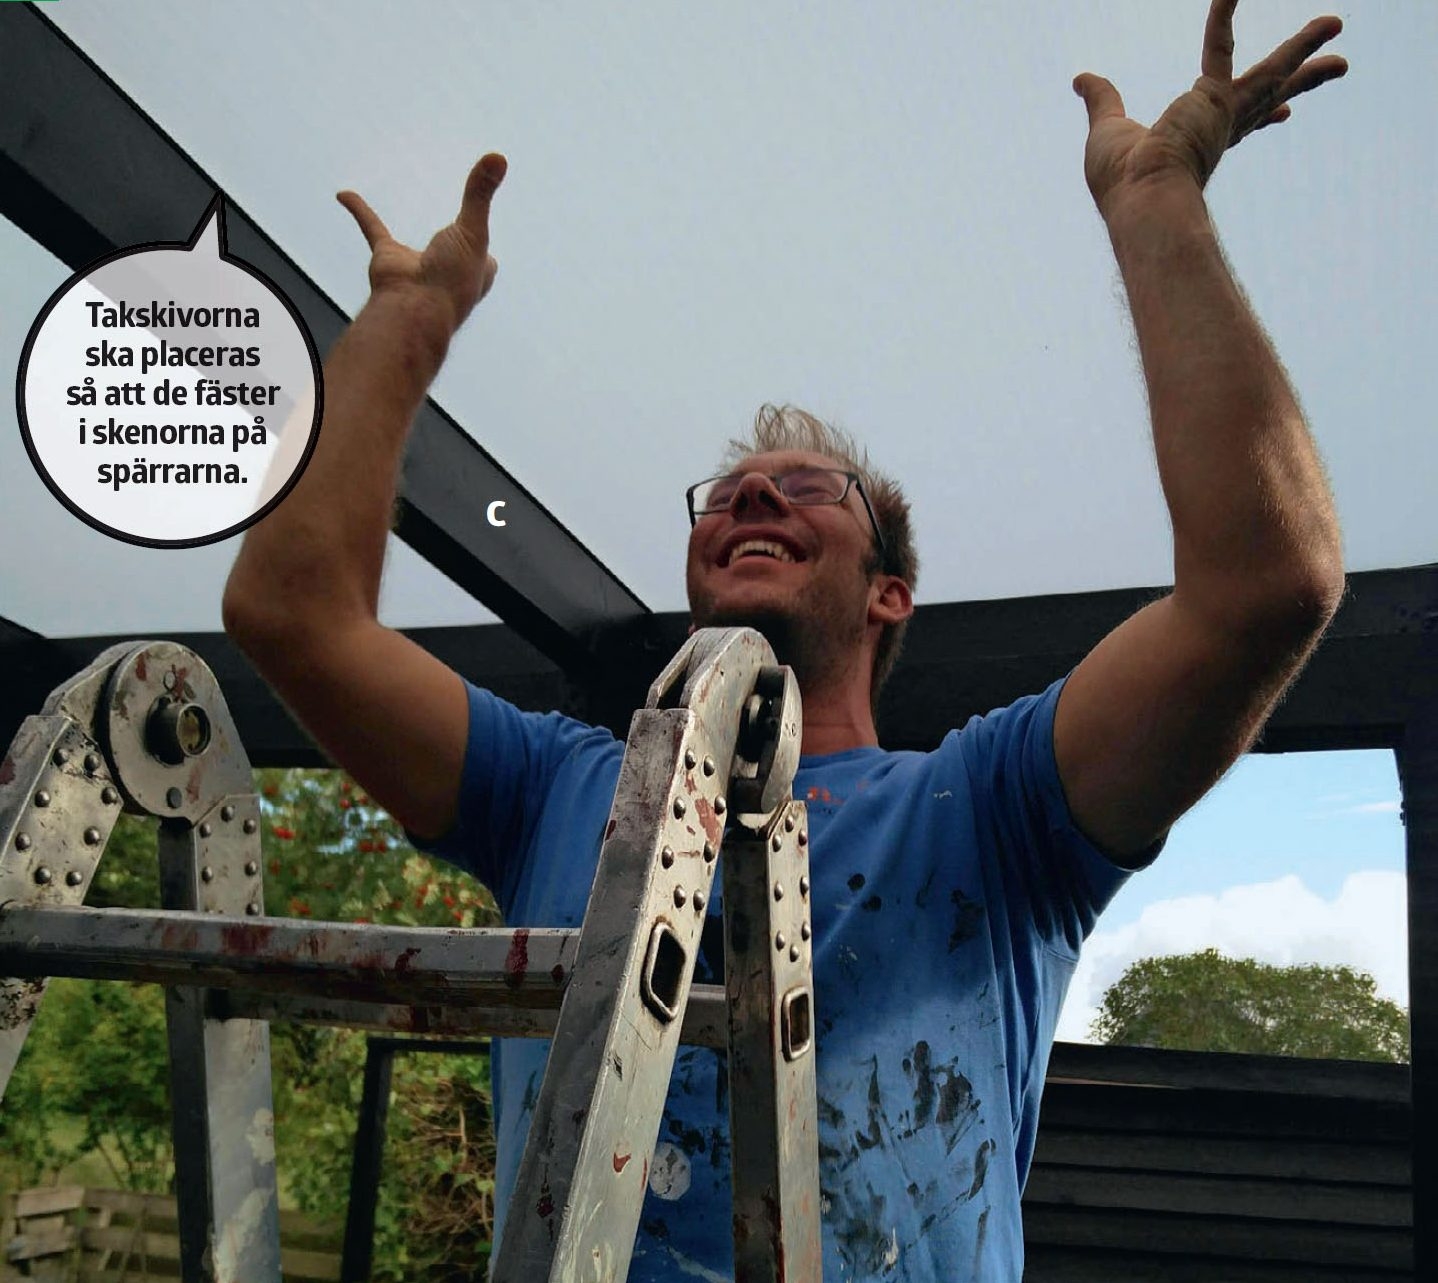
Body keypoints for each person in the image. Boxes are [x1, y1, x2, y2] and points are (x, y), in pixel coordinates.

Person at [223, 3, 1348, 1278]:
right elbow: (293, 612)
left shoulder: (992, 811)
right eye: (726, 494)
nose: (752, 492)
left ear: (889, 593)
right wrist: (407, 325)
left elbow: (1265, 585)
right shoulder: (558, 791)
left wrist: (1155, 203)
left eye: (809, 490)